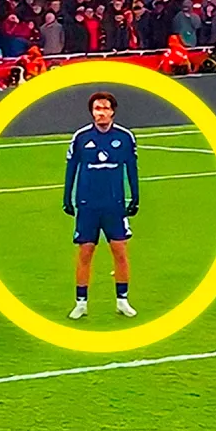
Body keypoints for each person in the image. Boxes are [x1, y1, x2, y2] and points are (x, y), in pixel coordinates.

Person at [63, 92, 139, 321]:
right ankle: (81, 303)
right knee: (85, 252)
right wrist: (67, 198)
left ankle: (122, 301)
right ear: (92, 112)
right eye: (97, 108)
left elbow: (131, 168)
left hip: (114, 205)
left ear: (112, 111)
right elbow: (71, 168)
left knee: (120, 251)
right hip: (87, 205)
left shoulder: (125, 137)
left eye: (105, 108)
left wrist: (135, 197)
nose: (101, 113)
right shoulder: (81, 137)